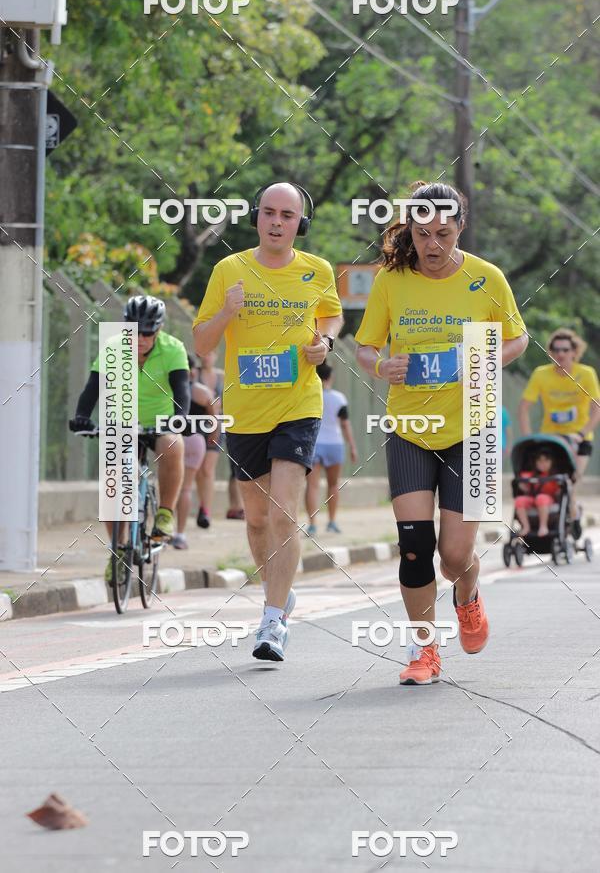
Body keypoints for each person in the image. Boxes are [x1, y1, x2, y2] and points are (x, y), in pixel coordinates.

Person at [355, 181, 528, 686]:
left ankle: (468, 595)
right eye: (423, 233)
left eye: (444, 233)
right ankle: (424, 650)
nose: (433, 245)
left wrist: (484, 359)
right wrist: (381, 365)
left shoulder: (486, 277)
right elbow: (365, 347)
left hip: (472, 428)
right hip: (410, 426)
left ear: (460, 228)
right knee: (414, 545)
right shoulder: (392, 280)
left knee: (454, 558)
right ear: (409, 229)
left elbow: (517, 338)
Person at [193, 181, 343, 662]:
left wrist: (325, 343)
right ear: (257, 217)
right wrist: (227, 312)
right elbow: (201, 344)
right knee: (256, 521)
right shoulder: (228, 270)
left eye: (288, 215)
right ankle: (277, 595)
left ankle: (274, 622)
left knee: (282, 514)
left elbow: (332, 318)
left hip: (298, 405)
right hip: (245, 412)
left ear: (301, 222)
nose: (277, 222)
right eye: (269, 213)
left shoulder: (316, 270)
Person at [70, 296, 190, 577]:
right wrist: (82, 416)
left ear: (158, 330)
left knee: (172, 443)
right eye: (135, 331)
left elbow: (182, 388)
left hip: (159, 422)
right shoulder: (114, 348)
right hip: (123, 423)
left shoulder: (173, 349)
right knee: (116, 476)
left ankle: (165, 514)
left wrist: (180, 417)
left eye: (147, 333)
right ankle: (118, 550)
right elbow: (93, 387)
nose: (141, 338)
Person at [518, 327, 600, 519]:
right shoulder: (541, 374)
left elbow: (596, 407)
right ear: (550, 353)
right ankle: (551, 517)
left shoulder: (586, 374)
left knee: (571, 481)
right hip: (551, 437)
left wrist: (581, 434)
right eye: (555, 350)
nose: (560, 353)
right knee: (547, 481)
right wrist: (529, 438)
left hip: (579, 438)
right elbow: (523, 408)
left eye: (565, 349)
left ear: (574, 352)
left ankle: (572, 517)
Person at [304, 363, 358, 535]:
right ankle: (332, 522)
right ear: (330, 377)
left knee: (312, 486)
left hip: (314, 444)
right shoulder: (339, 398)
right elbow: (345, 424)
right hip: (335, 444)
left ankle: (312, 524)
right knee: (333, 485)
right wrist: (352, 446)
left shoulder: (309, 395)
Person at [195, 350, 245, 526]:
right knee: (197, 470)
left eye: (210, 353)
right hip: (196, 424)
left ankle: (205, 510)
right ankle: (199, 504)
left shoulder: (222, 376)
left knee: (208, 469)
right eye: (204, 354)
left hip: (216, 426)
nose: (207, 356)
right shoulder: (194, 374)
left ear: (215, 355)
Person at [171, 355, 212, 549]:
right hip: (196, 440)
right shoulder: (203, 392)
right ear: (194, 371)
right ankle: (180, 534)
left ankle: (164, 531)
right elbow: (215, 417)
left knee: (169, 487)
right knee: (186, 488)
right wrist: (212, 438)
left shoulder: (168, 389)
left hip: (172, 439)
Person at [514, 449, 560, 539]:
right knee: (519, 500)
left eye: (546, 460)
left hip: (548, 500)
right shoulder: (531, 474)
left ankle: (543, 526)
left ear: (551, 462)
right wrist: (522, 484)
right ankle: (526, 526)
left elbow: (559, 490)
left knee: (541, 498)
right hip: (532, 498)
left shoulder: (554, 476)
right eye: (539, 461)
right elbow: (523, 482)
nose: (542, 463)